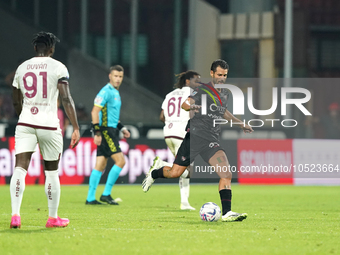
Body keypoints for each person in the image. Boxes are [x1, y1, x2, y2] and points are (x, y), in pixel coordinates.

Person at [143, 59, 254, 222]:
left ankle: (227, 213)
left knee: (226, 173)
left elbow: (224, 113)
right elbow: (185, 104)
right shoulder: (203, 90)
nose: (222, 78)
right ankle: (154, 172)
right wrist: (193, 107)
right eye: (219, 75)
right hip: (194, 138)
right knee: (176, 173)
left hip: (211, 140)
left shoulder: (224, 93)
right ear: (212, 73)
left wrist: (241, 124)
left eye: (225, 75)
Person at [10, 31, 80, 228]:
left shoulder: (22, 68)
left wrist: (24, 117)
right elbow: (66, 98)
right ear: (52, 49)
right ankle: (52, 218)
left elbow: (16, 100)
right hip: (48, 124)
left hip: (25, 123)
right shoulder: (58, 67)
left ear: (35, 48)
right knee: (51, 172)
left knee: (20, 168)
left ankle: (15, 216)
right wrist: (75, 126)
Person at [86, 65, 130, 205]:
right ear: (109, 76)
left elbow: (112, 116)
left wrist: (122, 128)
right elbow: (94, 112)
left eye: (120, 77)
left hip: (111, 129)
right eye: (115, 76)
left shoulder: (115, 93)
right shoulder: (105, 92)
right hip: (105, 131)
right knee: (121, 161)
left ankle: (90, 198)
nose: (118, 79)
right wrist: (97, 132)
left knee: (100, 164)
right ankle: (106, 194)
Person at [159, 70, 200, 210]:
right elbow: (193, 113)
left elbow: (161, 117)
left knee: (182, 167)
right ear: (188, 81)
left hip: (168, 133)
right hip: (181, 133)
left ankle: (185, 202)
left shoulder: (170, 94)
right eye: (196, 80)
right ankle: (184, 202)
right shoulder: (192, 94)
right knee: (187, 168)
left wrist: (172, 122)